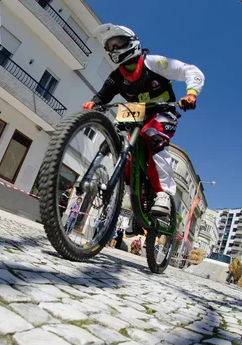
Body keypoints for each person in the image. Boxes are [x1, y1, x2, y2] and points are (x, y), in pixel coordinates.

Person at [82, 24, 204, 220]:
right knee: (126, 150)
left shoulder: (154, 63)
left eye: (118, 43)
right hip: (136, 116)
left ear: (132, 43)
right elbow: (102, 96)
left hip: (163, 112)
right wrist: (92, 104)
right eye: (111, 46)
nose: (114, 48)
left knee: (153, 137)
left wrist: (191, 94)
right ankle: (132, 200)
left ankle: (163, 194)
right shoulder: (117, 77)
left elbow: (191, 71)